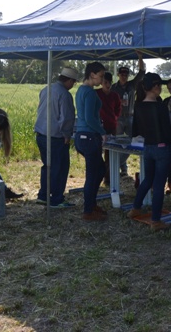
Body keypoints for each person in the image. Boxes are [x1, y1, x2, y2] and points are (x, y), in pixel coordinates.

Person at [126, 73, 171, 232]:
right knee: (159, 185)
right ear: (155, 87)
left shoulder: (139, 106)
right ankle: (155, 220)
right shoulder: (160, 106)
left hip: (148, 147)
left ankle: (135, 208)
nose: (161, 88)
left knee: (147, 180)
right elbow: (167, 132)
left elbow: (135, 130)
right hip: (162, 148)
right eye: (160, 85)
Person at [34, 67, 80, 208]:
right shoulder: (65, 94)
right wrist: (67, 134)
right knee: (59, 168)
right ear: (69, 81)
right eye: (73, 82)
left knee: (47, 167)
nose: (73, 85)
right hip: (56, 137)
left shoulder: (46, 89)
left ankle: (43, 195)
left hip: (41, 134)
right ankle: (56, 199)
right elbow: (66, 117)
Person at [74, 62, 109, 222]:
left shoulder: (81, 90)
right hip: (89, 137)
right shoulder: (89, 92)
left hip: (82, 136)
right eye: (101, 76)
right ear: (92, 74)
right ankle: (88, 210)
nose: (102, 80)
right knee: (92, 174)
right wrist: (102, 132)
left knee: (100, 170)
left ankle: (92, 204)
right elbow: (89, 118)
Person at [112, 51, 145, 176]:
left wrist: (140, 57)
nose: (124, 76)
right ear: (118, 74)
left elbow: (141, 73)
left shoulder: (132, 85)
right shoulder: (114, 88)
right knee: (118, 143)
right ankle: (122, 168)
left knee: (131, 142)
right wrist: (119, 102)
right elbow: (109, 102)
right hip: (119, 118)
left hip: (130, 117)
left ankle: (118, 164)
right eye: (122, 74)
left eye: (126, 74)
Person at [97, 72, 122, 185]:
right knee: (96, 152)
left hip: (111, 127)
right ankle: (98, 175)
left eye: (109, 83)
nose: (108, 85)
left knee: (110, 153)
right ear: (101, 83)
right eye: (105, 82)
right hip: (98, 127)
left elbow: (118, 109)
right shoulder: (96, 94)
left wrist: (114, 118)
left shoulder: (114, 96)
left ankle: (108, 178)